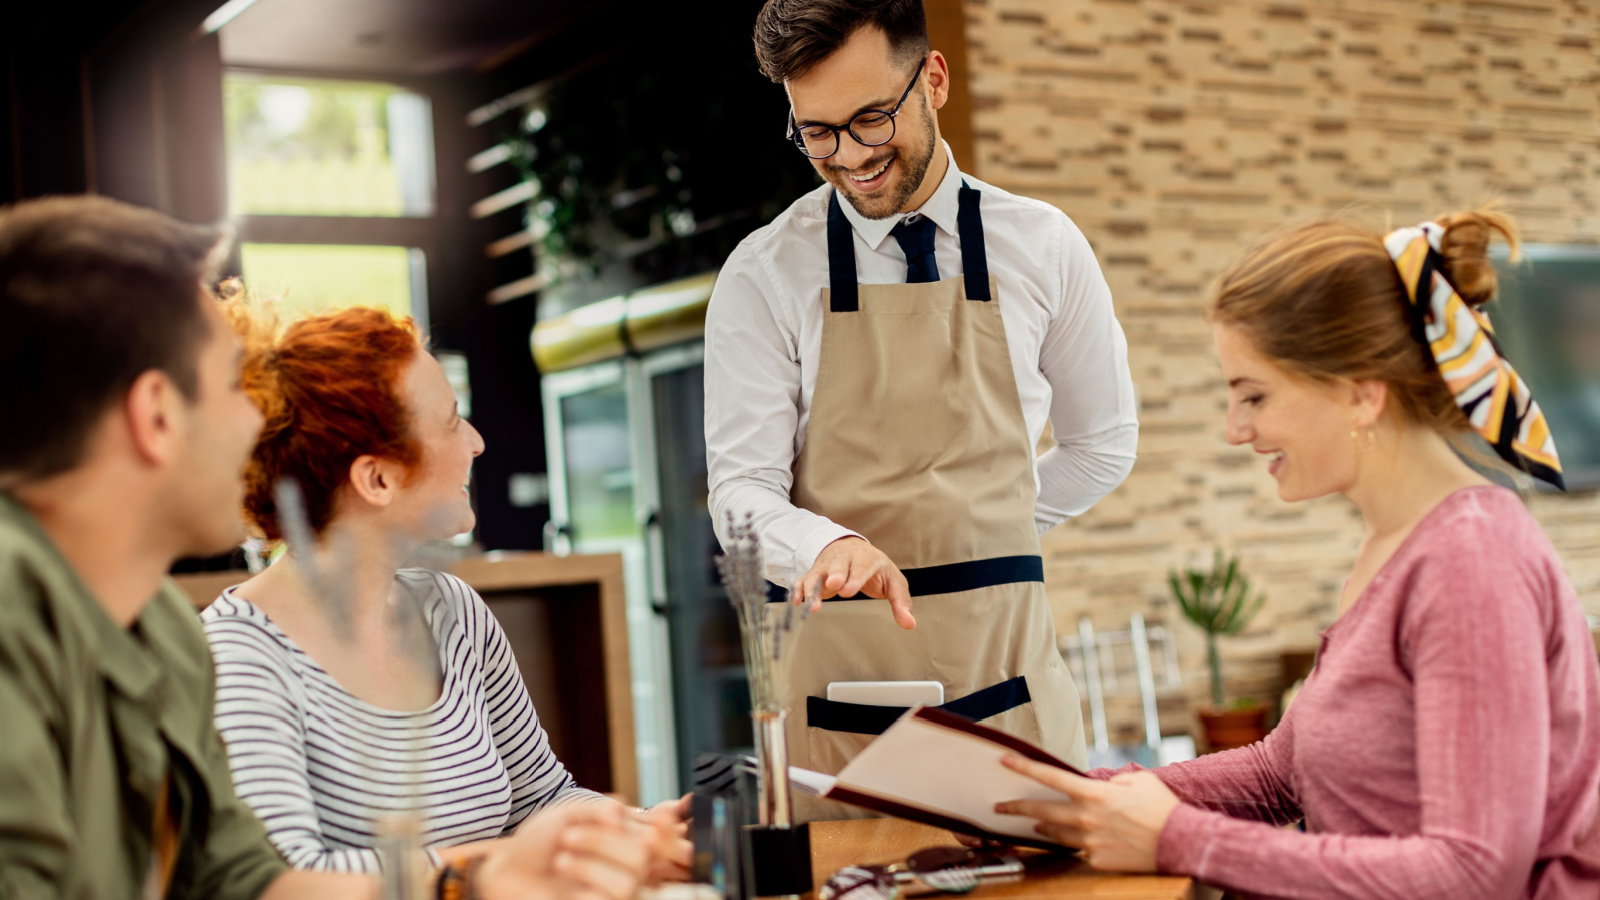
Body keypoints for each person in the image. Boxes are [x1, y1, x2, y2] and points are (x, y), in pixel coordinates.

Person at [0, 195, 652, 900]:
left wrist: (475, 878)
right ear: (156, 415)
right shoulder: (21, 618)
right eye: (230, 384)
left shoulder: (158, 631)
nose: (259, 420)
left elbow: (247, 884)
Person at [996, 210, 1600, 898]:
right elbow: (1280, 774)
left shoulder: (1471, 565)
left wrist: (1178, 837)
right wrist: (1071, 799)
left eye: (1254, 395)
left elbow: (1473, 873)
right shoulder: (1396, 545)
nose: (1235, 430)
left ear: (1360, 393)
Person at [704, 0, 1138, 791]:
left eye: (871, 119)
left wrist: (988, 526)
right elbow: (739, 495)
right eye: (818, 133)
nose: (850, 157)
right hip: (840, 704)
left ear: (932, 80)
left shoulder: (1043, 246)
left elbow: (1102, 445)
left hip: (1011, 687)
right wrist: (825, 547)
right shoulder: (764, 274)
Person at [199, 298, 691, 880]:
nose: (477, 442)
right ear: (377, 478)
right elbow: (288, 881)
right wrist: (497, 866)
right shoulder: (237, 658)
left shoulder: (455, 611)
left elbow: (540, 799)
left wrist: (635, 828)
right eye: (453, 420)